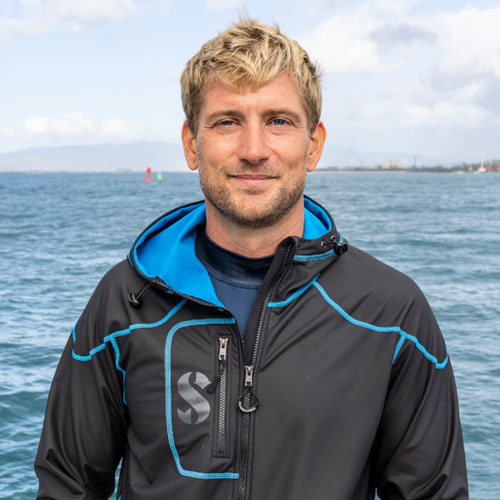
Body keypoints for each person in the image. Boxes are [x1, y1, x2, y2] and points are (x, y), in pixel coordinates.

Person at [35, 19, 468, 500]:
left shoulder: (392, 313)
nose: (254, 150)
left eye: (279, 121)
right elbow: (67, 485)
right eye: (227, 121)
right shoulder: (125, 301)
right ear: (191, 144)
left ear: (314, 145)